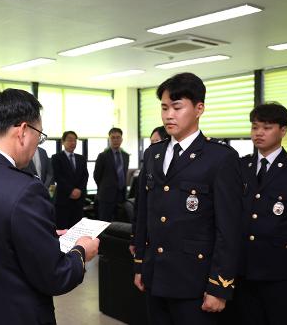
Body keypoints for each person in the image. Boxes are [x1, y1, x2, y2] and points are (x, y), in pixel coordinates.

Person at [0, 88, 99, 325]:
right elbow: (55, 276)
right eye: (40, 135)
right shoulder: (25, 190)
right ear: (24, 131)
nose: (38, 144)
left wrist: (41, 236)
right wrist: (80, 251)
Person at [133, 72, 243, 325]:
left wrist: (219, 286)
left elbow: (229, 229)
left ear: (199, 108)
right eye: (164, 108)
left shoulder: (220, 158)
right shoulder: (153, 154)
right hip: (156, 275)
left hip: (195, 282)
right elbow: (144, 215)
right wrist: (140, 264)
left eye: (177, 107)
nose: (168, 115)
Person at [235, 103, 287, 325]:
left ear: (283, 130)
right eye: (255, 127)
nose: (258, 133)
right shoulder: (240, 167)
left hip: (280, 271)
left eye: (266, 127)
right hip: (243, 269)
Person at [129, 125, 170, 255]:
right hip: (149, 235)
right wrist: (134, 237)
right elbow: (140, 204)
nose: (152, 146)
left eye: (155, 142)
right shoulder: (149, 162)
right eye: (150, 142)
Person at [51, 131, 89, 229]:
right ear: (63, 142)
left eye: (75, 140)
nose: (73, 143)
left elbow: (85, 176)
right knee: (62, 229)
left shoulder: (81, 158)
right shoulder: (56, 158)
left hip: (78, 201)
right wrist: (71, 190)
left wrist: (79, 190)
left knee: (77, 229)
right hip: (63, 200)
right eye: (70, 140)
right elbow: (57, 177)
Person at [94, 127, 129, 222]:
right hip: (106, 196)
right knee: (104, 224)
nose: (115, 140)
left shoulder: (126, 156)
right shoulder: (103, 156)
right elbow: (96, 176)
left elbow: (123, 174)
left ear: (121, 139)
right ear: (109, 139)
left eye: (118, 137)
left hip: (121, 196)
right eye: (113, 137)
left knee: (120, 224)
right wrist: (104, 188)